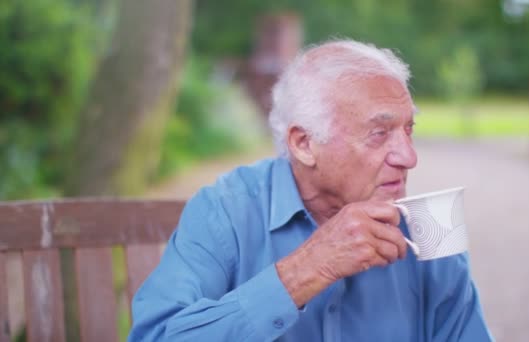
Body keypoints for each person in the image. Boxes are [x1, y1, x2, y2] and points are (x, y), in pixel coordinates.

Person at [129, 39, 493, 341]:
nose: (409, 157)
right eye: (379, 134)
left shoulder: (427, 225)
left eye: (409, 130)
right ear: (304, 143)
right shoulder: (223, 210)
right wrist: (308, 269)